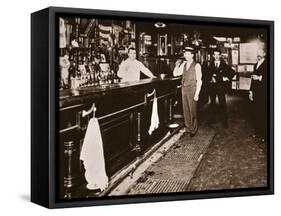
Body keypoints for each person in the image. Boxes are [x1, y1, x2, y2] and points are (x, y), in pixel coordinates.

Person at [173, 47, 202, 137]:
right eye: (185, 54)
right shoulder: (184, 64)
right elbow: (176, 74)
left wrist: (197, 93)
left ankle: (193, 129)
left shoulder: (197, 65)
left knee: (192, 110)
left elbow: (199, 80)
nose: (186, 55)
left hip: (192, 89)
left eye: (188, 54)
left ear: (192, 55)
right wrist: (176, 66)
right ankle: (188, 128)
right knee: (185, 110)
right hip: (184, 89)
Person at [208, 49, 235, 128]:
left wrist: (226, 78)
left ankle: (224, 122)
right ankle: (212, 119)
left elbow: (232, 72)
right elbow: (206, 74)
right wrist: (210, 78)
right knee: (212, 103)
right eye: (215, 55)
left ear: (220, 56)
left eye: (218, 55)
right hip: (212, 87)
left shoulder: (224, 65)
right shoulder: (210, 65)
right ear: (213, 56)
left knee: (222, 104)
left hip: (220, 87)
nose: (216, 56)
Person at [249, 48, 267, 142]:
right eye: (257, 53)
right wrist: (250, 91)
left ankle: (264, 135)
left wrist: (259, 78)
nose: (258, 55)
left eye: (260, 53)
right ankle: (257, 133)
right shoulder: (255, 64)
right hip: (255, 92)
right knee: (255, 113)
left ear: (264, 53)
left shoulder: (268, 64)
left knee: (262, 114)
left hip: (263, 93)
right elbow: (252, 79)